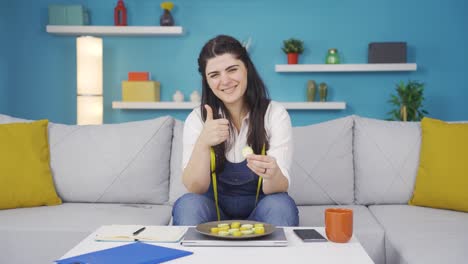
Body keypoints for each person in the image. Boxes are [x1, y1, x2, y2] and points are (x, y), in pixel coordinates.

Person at [172, 35, 299, 226]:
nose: (225, 81)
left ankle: (275, 257)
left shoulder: (274, 114)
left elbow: (279, 187)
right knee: (188, 204)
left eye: (232, 70)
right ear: (206, 81)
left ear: (246, 68)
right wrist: (203, 143)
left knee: (282, 205)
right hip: (213, 213)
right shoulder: (197, 119)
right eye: (214, 75)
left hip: (262, 211)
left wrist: (273, 174)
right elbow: (195, 188)